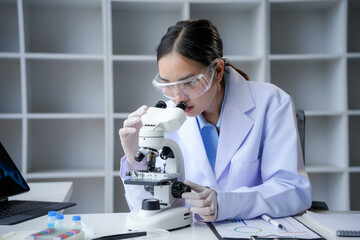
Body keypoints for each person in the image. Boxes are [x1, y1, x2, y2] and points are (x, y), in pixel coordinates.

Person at [119, 19, 311, 222]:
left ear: (218, 71)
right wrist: (134, 161)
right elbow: (144, 207)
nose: (178, 97)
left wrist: (226, 203)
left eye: (190, 82)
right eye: (168, 84)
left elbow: (292, 190)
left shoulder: (272, 103)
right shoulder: (164, 117)